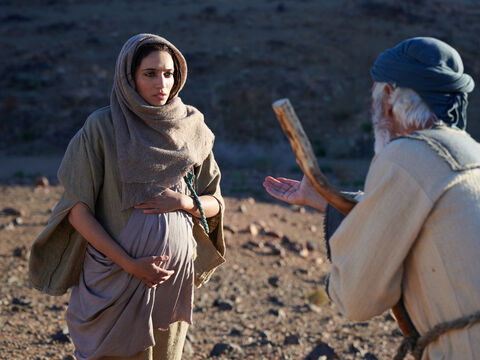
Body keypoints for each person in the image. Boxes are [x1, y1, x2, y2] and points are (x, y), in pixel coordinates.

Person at [264, 37, 480, 359]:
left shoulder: (406, 155)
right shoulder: (471, 153)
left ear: (390, 97)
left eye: (376, 97)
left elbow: (358, 299)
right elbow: (423, 216)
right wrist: (327, 200)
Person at [29, 33, 225, 360]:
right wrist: (131, 264)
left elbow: (216, 203)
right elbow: (77, 210)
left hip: (171, 282)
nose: (161, 82)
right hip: (115, 277)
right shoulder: (101, 127)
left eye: (168, 73)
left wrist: (184, 203)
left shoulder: (192, 128)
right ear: (129, 77)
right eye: (149, 73)